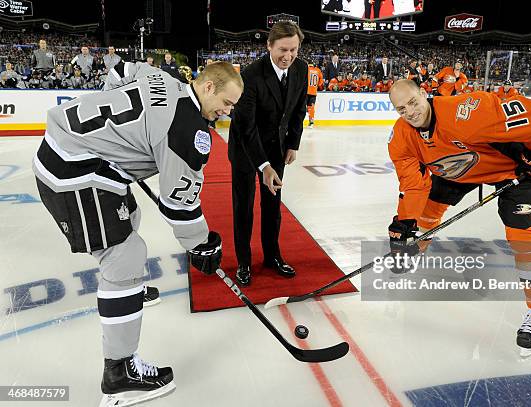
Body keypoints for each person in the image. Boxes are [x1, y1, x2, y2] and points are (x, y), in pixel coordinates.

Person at [33, 61, 243, 406]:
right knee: (125, 256)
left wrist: (115, 136)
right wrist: (202, 245)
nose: (227, 112)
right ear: (208, 87)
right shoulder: (188, 131)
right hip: (73, 171)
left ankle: (128, 294)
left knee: (129, 213)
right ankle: (119, 373)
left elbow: (119, 68)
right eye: (227, 102)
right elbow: (180, 206)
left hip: (72, 150)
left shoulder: (165, 76)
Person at [387, 79, 531, 357]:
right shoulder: (401, 137)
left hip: (519, 170)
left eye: (413, 103)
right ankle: (416, 247)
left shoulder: (466, 113)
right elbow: (413, 185)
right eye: (401, 109)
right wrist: (405, 226)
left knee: (526, 241)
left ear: (424, 93)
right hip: (461, 167)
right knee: (427, 208)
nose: (410, 112)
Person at [228, 21, 308, 286]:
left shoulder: (301, 68)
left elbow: (298, 109)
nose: (288, 56)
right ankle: (243, 262)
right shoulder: (250, 76)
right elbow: (245, 127)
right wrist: (262, 166)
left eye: (293, 50)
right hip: (245, 150)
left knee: (272, 207)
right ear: (269, 46)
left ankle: (272, 256)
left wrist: (293, 144)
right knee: (244, 208)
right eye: (282, 50)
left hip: (276, 149)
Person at [306, 62, 324, 127]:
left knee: (302, 107)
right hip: (313, 92)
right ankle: (311, 122)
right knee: (311, 107)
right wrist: (317, 85)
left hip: (306, 91)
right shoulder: (318, 70)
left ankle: (299, 122)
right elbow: (321, 80)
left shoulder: (306, 69)